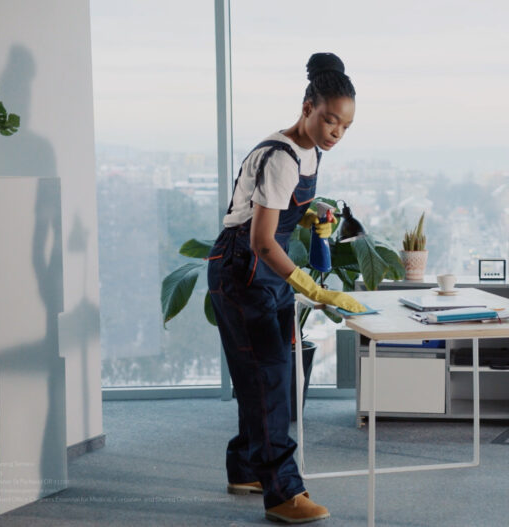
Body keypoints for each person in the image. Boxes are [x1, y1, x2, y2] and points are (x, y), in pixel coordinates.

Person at [207, 52, 365, 523]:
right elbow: (259, 240)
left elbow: (283, 215)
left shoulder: (310, 151)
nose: (336, 132)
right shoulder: (279, 157)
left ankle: (245, 468)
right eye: (330, 120)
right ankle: (282, 493)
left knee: (267, 376)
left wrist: (315, 216)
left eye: (345, 127)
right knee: (270, 378)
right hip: (244, 269)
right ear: (307, 107)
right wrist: (313, 291)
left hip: (267, 270)